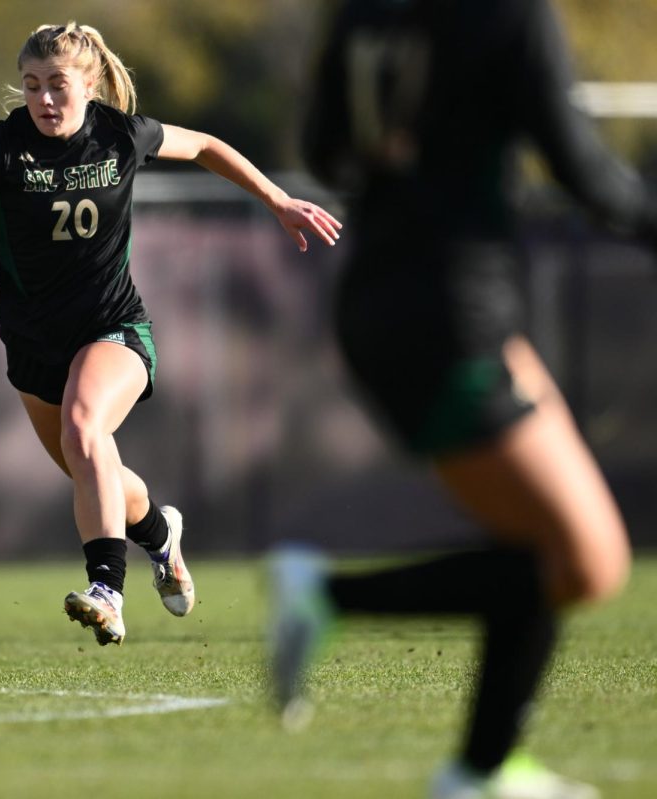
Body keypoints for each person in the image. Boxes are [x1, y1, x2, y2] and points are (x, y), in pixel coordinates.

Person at [273, 1, 657, 797]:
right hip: (449, 313)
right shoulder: (508, 15)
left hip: (389, 297)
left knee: (559, 552)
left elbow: (322, 147)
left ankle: (480, 770)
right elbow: (582, 168)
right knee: (585, 559)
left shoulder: (365, 9)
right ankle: (322, 593)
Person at [0, 21, 341, 646]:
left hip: (113, 328)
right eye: (32, 86)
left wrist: (277, 200)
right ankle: (160, 534)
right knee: (90, 465)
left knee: (84, 426)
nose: (44, 99)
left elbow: (206, 144)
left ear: (90, 82)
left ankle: (107, 590)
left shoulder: (121, 134)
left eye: (57, 85)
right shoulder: (4, 144)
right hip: (32, 343)